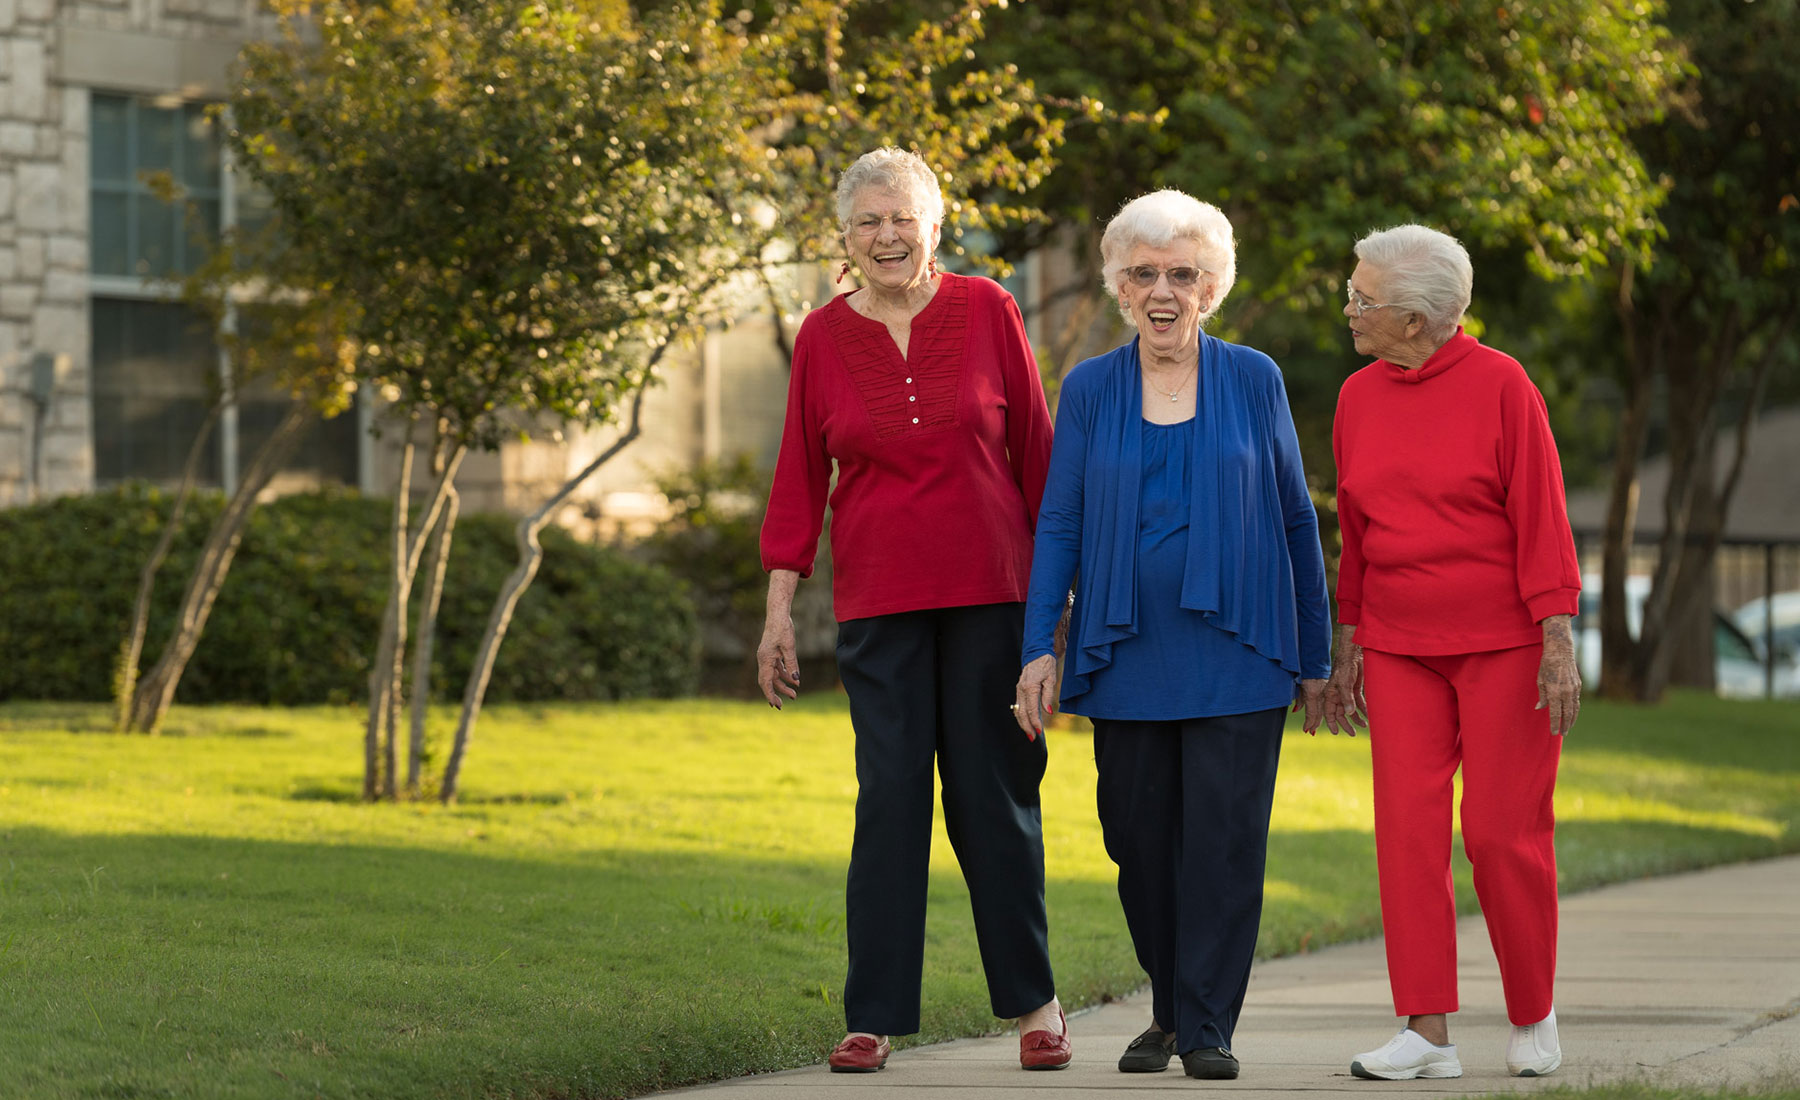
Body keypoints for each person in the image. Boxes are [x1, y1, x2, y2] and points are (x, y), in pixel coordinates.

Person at [757, 146, 1070, 1074]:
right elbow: (797, 479)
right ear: (846, 239)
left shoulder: (989, 310)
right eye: (869, 222)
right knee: (889, 802)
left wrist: (1055, 611)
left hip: (992, 595)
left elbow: (1040, 461)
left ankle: (1036, 1007)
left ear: (938, 226)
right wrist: (779, 610)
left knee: (994, 800)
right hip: (880, 603)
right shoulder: (820, 337)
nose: (887, 236)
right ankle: (874, 1016)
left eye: (904, 219)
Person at [1014, 190, 1332, 1081]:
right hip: (1126, 653)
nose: (1164, 291)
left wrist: (1314, 657)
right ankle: (1169, 1003)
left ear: (1212, 287)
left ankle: (1205, 1026)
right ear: (1118, 285)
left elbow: (1296, 520)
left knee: (1225, 843)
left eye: (1183, 275)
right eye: (1144, 273)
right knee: (1138, 841)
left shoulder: (1256, 378)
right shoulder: (1088, 389)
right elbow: (1062, 524)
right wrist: (1040, 645)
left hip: (1241, 653)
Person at [1325, 224, 1581, 1081]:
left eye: (1365, 300)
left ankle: (1532, 1011)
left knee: (1502, 833)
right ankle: (1426, 1032)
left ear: (1421, 320)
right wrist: (1350, 636)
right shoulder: (1358, 395)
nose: (1350, 310)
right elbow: (1355, 531)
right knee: (1406, 831)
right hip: (1399, 643)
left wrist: (1557, 635)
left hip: (1505, 643)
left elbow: (1542, 514)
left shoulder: (1503, 385)